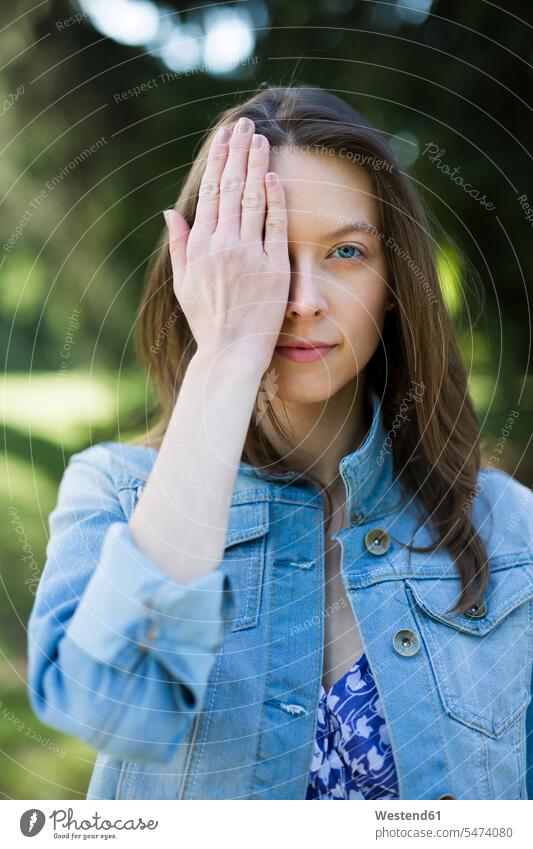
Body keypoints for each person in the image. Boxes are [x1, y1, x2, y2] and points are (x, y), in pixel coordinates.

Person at [27, 85, 533, 800]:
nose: (301, 297)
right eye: (260, 248)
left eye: (346, 251)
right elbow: (106, 704)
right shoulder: (114, 491)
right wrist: (229, 352)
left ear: (394, 281)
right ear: (201, 272)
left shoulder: (510, 527)